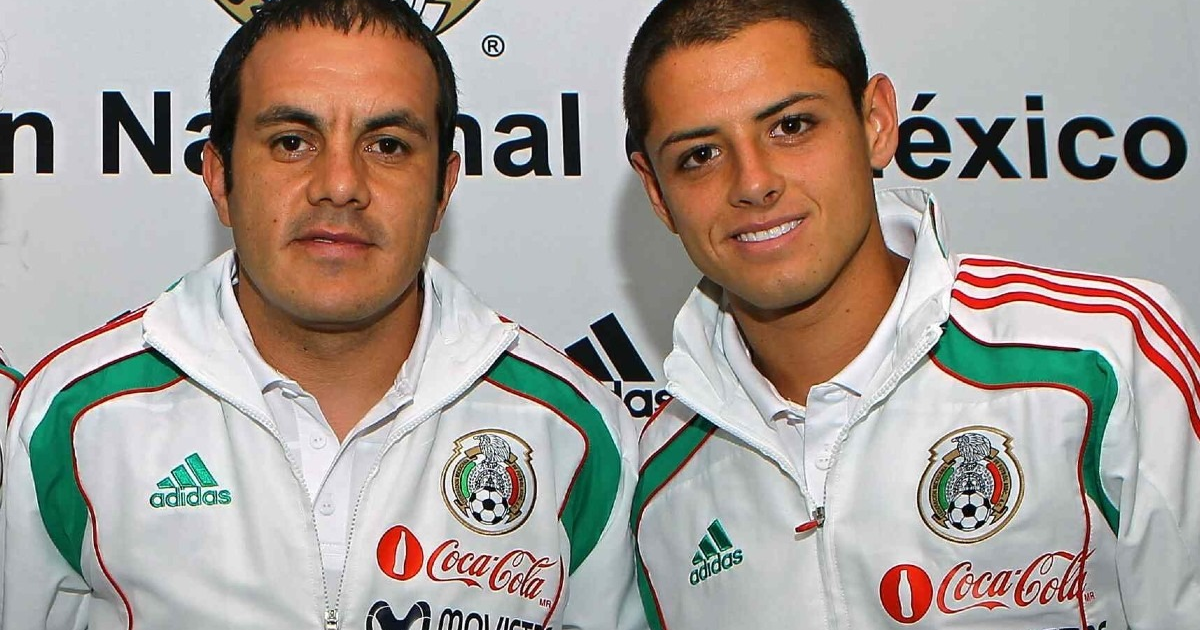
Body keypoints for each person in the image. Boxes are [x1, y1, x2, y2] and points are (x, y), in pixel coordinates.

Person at [2, 1, 643, 628]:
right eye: (291, 141)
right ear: (219, 179)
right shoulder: (75, 416)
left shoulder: (574, 432)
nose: (340, 183)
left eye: (388, 145)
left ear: (444, 187)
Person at [622, 0, 1200, 628]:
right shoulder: (661, 481)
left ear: (875, 122)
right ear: (657, 191)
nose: (753, 182)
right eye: (700, 155)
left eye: (791, 126)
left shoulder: (1107, 354)